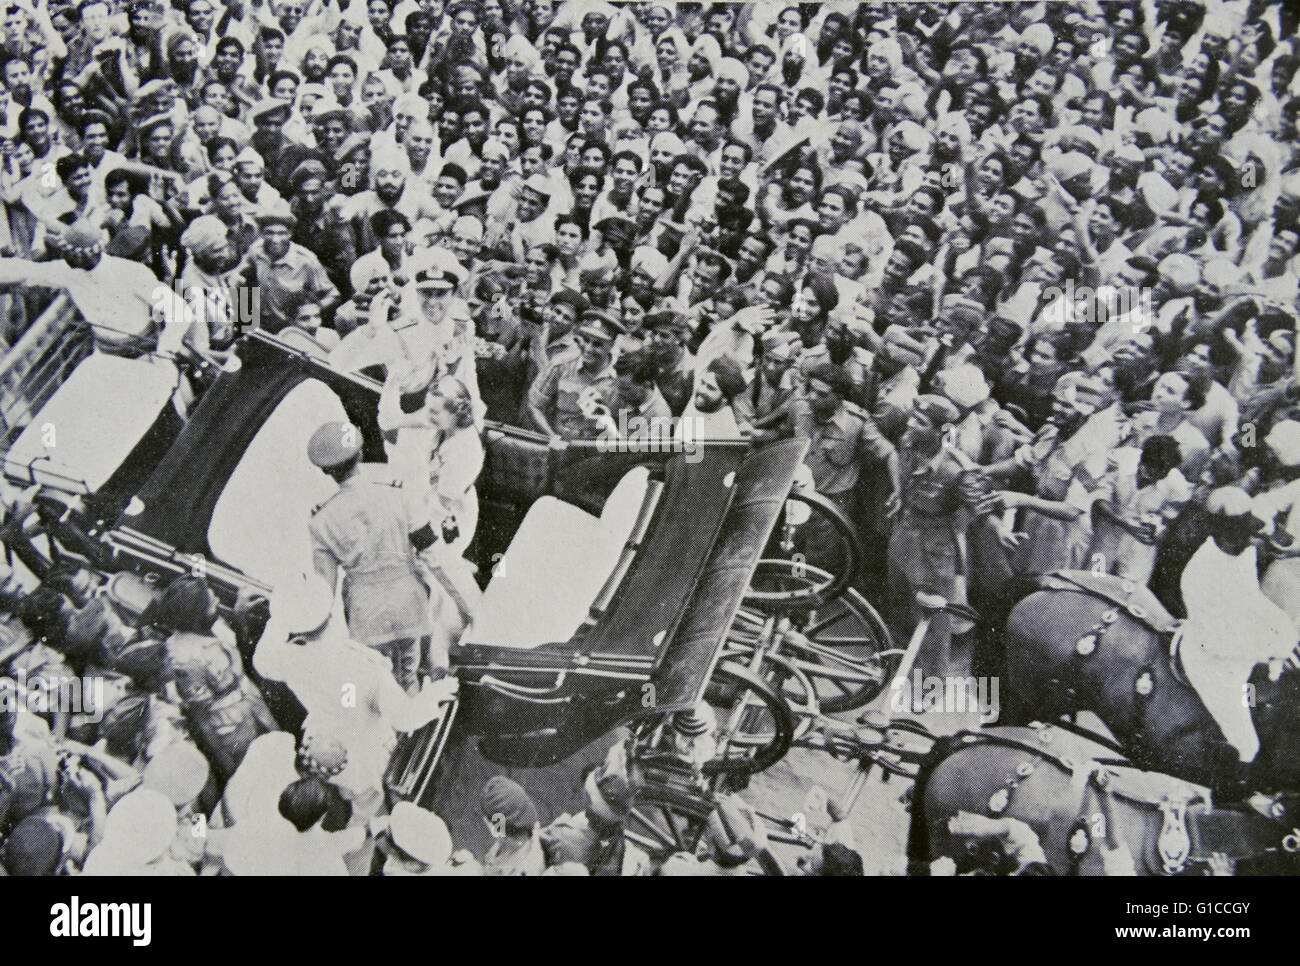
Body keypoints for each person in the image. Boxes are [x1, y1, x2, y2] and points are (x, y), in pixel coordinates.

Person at [306, 419, 434, 693]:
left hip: (366, 614)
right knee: (409, 673)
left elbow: (323, 588)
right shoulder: (396, 490)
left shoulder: (321, 521)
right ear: (361, 453)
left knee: (382, 684)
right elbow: (428, 544)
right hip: (408, 599)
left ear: (327, 471)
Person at [153, 576, 276, 780]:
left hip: (254, 707)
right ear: (195, 616)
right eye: (211, 603)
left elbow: (237, 652)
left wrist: (240, 617)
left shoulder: (212, 624)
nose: (217, 602)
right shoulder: (184, 661)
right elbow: (200, 720)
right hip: (232, 731)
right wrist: (227, 765)